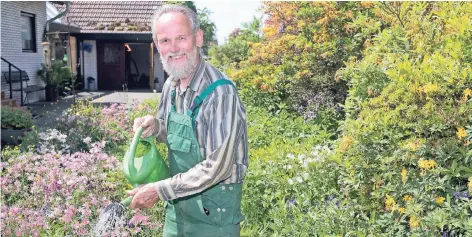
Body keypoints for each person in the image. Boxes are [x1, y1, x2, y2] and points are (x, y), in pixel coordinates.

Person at [127, 4, 249, 237]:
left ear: (198, 38)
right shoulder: (170, 85)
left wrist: (159, 190)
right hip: (177, 211)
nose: (173, 48)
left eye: (181, 38)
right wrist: (155, 126)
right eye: (164, 41)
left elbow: (218, 167)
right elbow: (171, 134)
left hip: (214, 217)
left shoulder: (220, 93)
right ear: (157, 46)